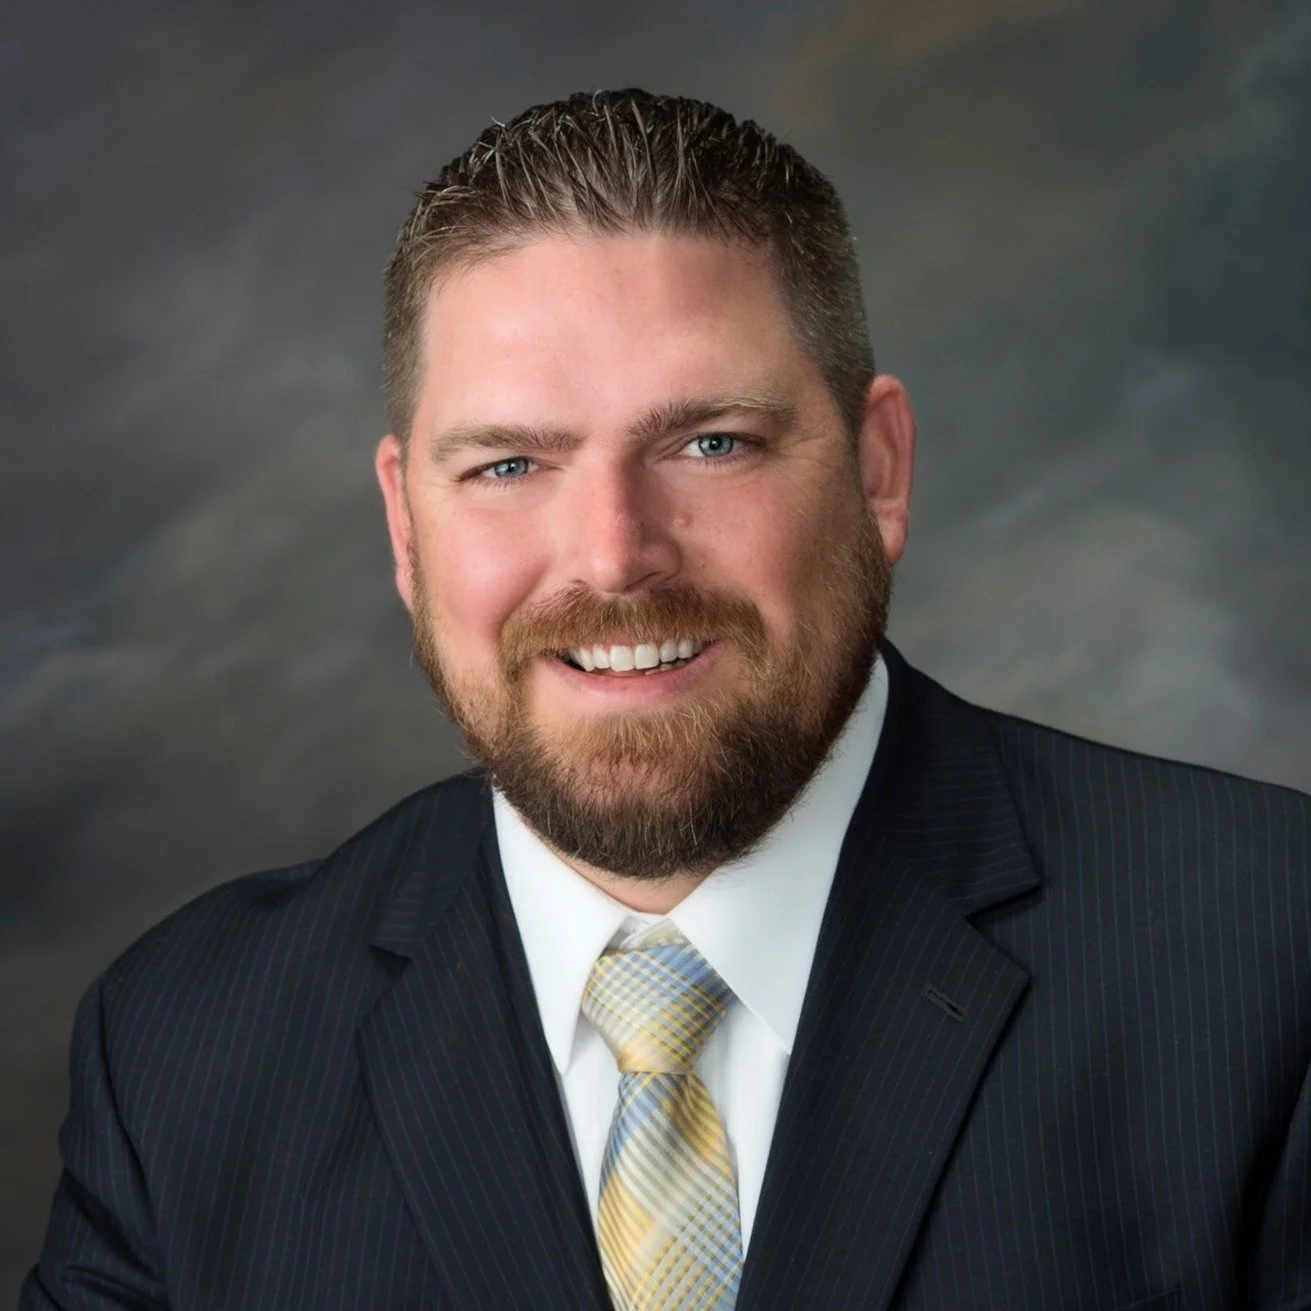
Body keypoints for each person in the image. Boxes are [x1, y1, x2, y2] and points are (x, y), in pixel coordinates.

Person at [21, 88, 1309, 1311]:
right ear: (406, 528)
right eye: (509, 464)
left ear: (878, 471)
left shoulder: (1267, 958)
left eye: (711, 444)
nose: (613, 556)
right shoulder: (185, 1045)